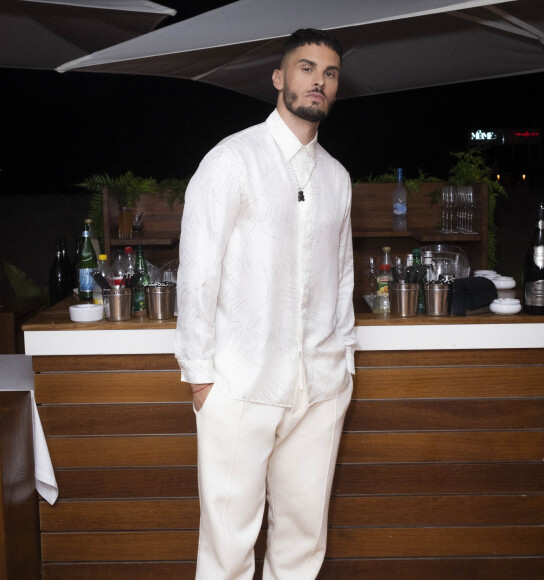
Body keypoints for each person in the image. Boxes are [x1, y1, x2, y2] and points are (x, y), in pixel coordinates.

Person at [175, 28, 356, 580]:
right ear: (279, 79)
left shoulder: (337, 178)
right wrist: (201, 378)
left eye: (329, 74)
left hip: (319, 387)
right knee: (228, 548)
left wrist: (343, 361)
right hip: (240, 383)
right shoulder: (232, 160)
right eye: (306, 69)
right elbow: (198, 272)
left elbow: (342, 276)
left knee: (303, 543)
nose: (318, 82)